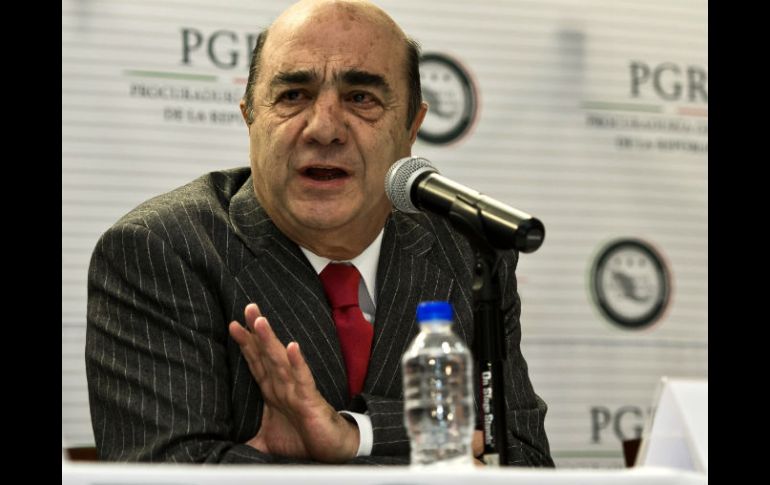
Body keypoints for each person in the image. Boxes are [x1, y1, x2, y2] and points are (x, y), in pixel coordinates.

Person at [85, 0, 553, 466]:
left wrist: (354, 436)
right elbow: (173, 471)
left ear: (412, 127)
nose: (324, 128)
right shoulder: (161, 250)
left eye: (361, 98)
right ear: (250, 117)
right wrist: (447, 456)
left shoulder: (466, 250)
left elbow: (524, 459)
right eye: (293, 95)